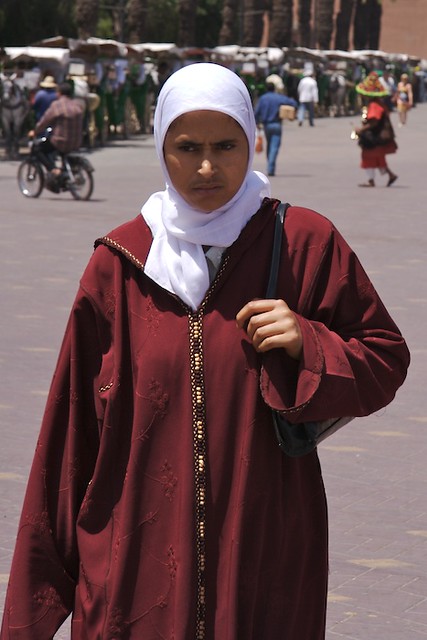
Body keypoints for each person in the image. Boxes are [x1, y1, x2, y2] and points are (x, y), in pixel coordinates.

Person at [0, 62, 409, 640]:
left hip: (263, 551)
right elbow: (70, 437)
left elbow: (386, 358)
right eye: (187, 147)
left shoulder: (303, 243)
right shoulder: (120, 264)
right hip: (134, 561)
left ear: (252, 142)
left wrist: (308, 342)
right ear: (162, 148)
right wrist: (33, 610)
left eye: (225, 146)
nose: (207, 167)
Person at [29, 82, 84, 183]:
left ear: (59, 93)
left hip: (60, 141)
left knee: (38, 149)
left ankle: (53, 169)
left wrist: (35, 131)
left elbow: (44, 121)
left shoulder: (57, 105)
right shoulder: (77, 105)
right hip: (77, 142)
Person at [355, 72, 398, 188]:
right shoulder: (379, 103)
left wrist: (361, 129)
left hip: (375, 136)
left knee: (368, 156)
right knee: (378, 156)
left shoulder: (374, 105)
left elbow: (374, 122)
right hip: (378, 136)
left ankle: (371, 180)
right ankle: (390, 175)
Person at [254, 82, 297, 176]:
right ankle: (271, 168)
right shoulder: (278, 97)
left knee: (269, 145)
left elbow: (256, 112)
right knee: (274, 146)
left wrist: (256, 123)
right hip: (276, 124)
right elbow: (293, 102)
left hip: (266, 125)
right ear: (274, 88)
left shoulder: (263, 98)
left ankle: (269, 165)